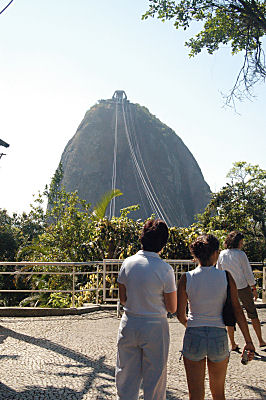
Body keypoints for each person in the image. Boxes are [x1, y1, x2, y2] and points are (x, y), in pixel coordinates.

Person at [177, 234, 255, 400]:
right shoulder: (226, 277)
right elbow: (237, 310)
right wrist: (248, 340)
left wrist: (190, 325)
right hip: (218, 335)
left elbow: (179, 313)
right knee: (218, 393)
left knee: (195, 394)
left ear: (195, 255)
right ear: (215, 253)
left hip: (194, 334)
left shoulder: (186, 278)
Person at [115, 219, 177, 400]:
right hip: (155, 326)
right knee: (155, 380)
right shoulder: (165, 269)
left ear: (142, 238)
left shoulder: (127, 263)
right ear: (163, 243)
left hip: (129, 323)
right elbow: (172, 307)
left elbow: (123, 298)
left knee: (125, 376)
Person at [217, 231, 266, 351]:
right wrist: (253, 287)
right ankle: (260, 340)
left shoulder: (222, 254)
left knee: (230, 314)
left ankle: (233, 343)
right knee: (252, 313)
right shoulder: (241, 254)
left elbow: (219, 271)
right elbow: (248, 272)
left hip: (228, 288)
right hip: (242, 287)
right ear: (238, 242)